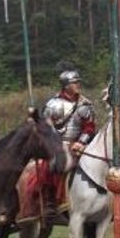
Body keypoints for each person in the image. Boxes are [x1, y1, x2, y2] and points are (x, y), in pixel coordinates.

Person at [21, 69, 97, 225]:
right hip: (57, 144)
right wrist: (56, 143)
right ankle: (51, 202)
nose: (78, 85)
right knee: (55, 163)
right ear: (66, 86)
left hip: (79, 144)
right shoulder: (52, 105)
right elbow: (46, 128)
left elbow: (89, 127)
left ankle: (102, 201)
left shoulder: (84, 104)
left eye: (78, 82)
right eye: (74, 83)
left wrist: (81, 142)